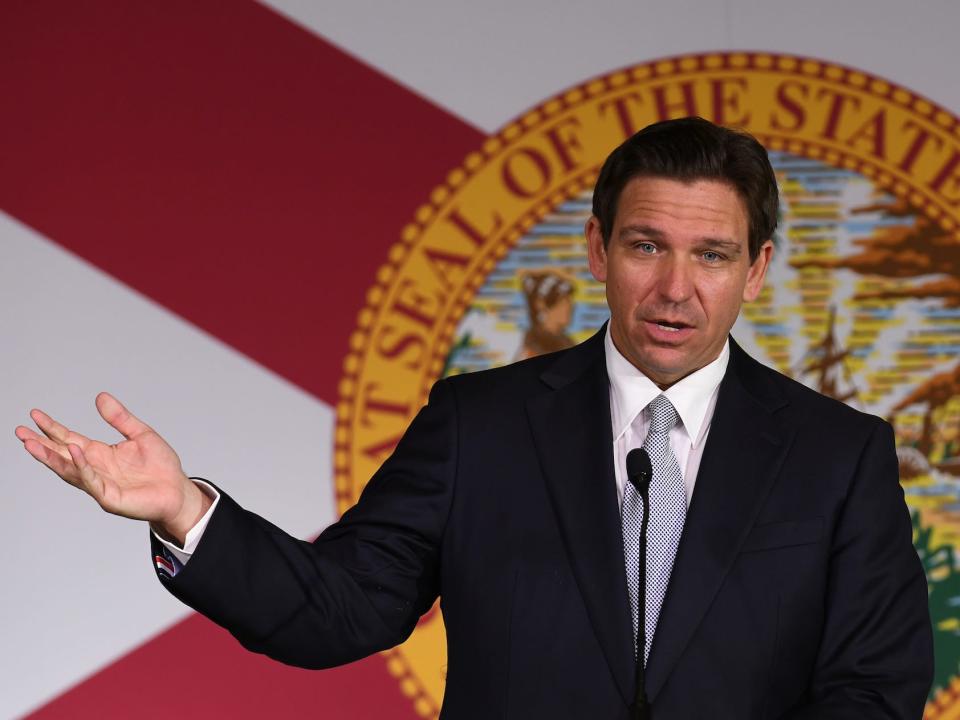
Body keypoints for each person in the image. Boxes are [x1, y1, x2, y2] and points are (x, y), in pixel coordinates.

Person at [16, 117, 933, 719]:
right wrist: (186, 511)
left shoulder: (836, 456)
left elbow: (875, 689)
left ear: (758, 270)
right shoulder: (480, 425)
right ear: (597, 250)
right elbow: (341, 610)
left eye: (714, 255)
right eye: (647, 245)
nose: (675, 289)